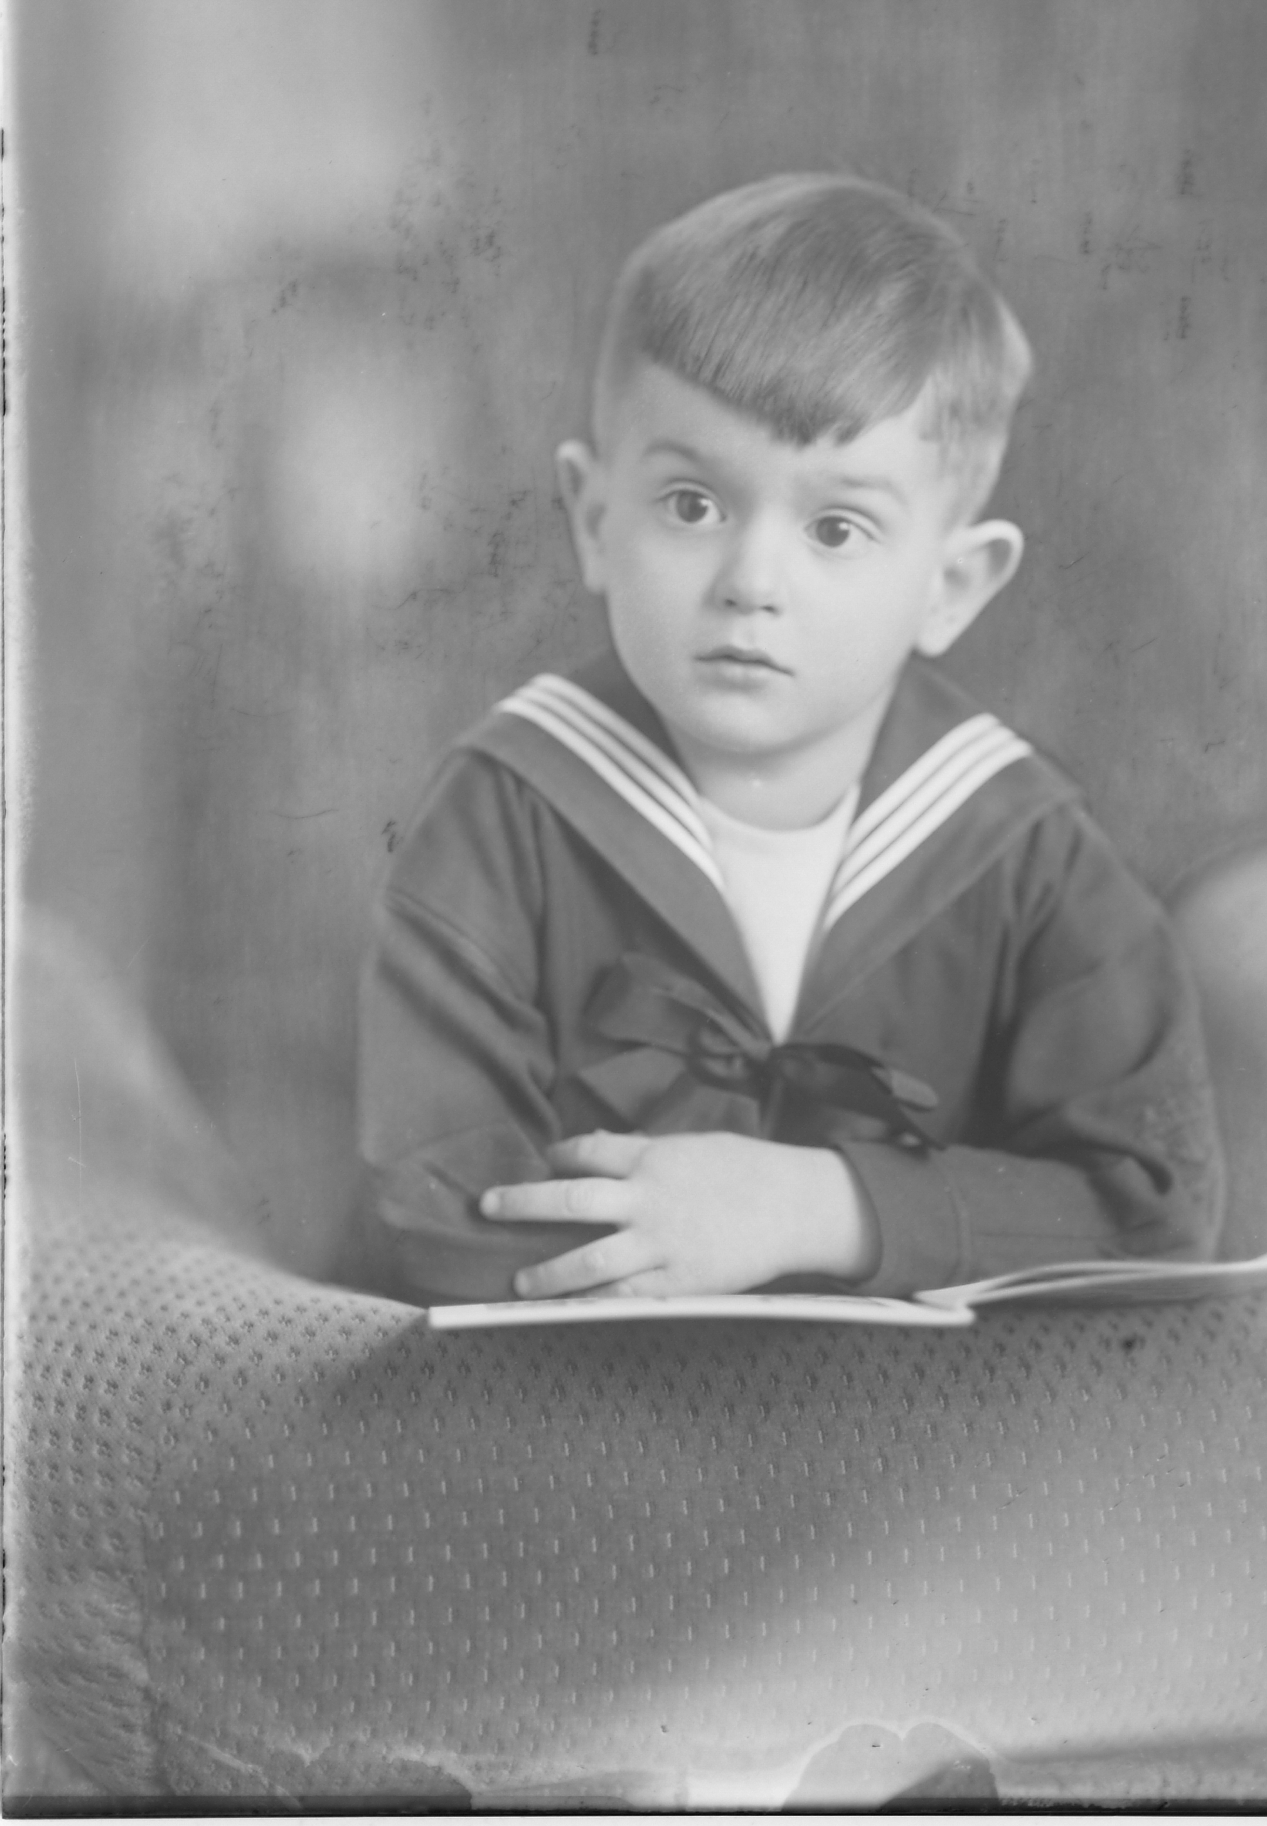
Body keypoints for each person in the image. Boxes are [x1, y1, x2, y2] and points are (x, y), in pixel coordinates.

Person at [357, 173, 1223, 1304]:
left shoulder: (1025, 849)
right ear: (593, 519)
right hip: (571, 1398)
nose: (752, 580)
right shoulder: (503, 810)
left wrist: (824, 1207)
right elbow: (431, 1205)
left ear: (952, 585)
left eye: (836, 527)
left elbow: (1153, 1208)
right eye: (692, 505)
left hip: (926, 1412)